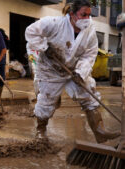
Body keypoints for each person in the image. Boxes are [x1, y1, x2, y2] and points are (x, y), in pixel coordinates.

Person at [25, 0, 120, 143]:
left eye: (89, 15)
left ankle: (99, 131)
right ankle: (41, 131)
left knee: (89, 94)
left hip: (73, 69)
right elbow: (31, 32)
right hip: (50, 69)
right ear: (72, 14)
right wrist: (45, 47)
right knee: (47, 100)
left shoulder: (90, 31)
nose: (87, 19)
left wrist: (80, 73)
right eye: (83, 15)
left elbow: (90, 54)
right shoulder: (54, 23)